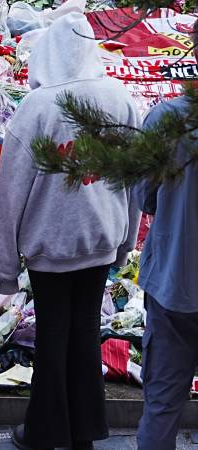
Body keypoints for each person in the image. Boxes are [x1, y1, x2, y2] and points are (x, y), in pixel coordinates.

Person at [0, 14, 141, 450]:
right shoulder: (119, 98)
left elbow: (10, 194)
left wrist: (5, 269)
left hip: (50, 245)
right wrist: (126, 240)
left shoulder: (37, 107)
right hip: (99, 239)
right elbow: (133, 178)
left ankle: (43, 431)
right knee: (82, 334)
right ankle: (84, 431)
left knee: (54, 334)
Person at [134, 59, 198, 450]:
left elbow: (146, 198)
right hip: (173, 280)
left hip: (175, 280)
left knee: (162, 403)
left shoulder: (165, 119)